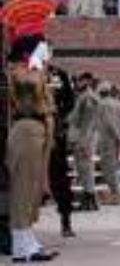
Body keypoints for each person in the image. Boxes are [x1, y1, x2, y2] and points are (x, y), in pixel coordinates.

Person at [2, 0, 60, 262]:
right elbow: (31, 87)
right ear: (29, 50)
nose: (45, 49)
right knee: (23, 189)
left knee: (34, 188)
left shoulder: (33, 68)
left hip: (37, 131)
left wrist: (41, 65)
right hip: (25, 130)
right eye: (40, 46)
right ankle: (21, 246)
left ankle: (27, 241)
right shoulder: (18, 70)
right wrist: (38, 64)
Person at [47, 65, 77, 238]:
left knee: (60, 176)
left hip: (56, 131)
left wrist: (58, 116)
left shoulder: (58, 73)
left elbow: (70, 101)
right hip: (33, 128)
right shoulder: (24, 71)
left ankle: (66, 220)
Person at [67, 72, 101, 212]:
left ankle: (89, 200)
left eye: (79, 80)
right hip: (82, 137)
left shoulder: (88, 97)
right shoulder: (84, 96)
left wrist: (84, 141)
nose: (76, 83)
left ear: (87, 81)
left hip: (84, 138)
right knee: (84, 169)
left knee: (85, 169)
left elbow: (89, 122)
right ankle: (90, 200)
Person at [96, 82, 120, 205]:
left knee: (108, 168)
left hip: (107, 138)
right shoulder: (118, 104)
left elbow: (109, 122)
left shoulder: (103, 104)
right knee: (114, 167)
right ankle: (117, 192)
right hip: (117, 138)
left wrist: (115, 135)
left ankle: (115, 195)